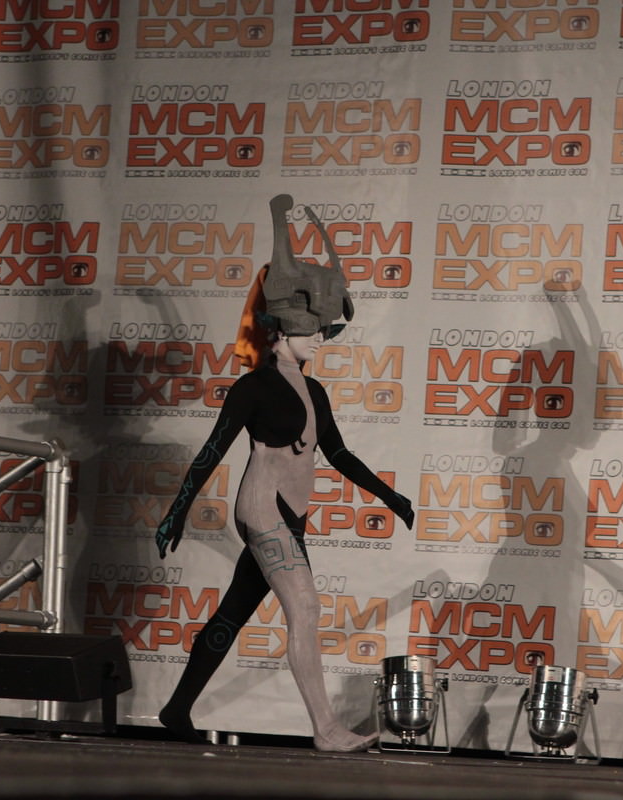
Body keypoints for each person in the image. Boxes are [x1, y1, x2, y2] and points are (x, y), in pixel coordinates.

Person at [155, 194, 415, 752]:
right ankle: (326, 729)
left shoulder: (314, 391)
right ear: (283, 331)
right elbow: (212, 451)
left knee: (234, 611)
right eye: (313, 329)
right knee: (306, 607)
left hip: (290, 515)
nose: (321, 338)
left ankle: (176, 708)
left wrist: (390, 497)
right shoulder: (253, 388)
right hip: (263, 507)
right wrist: (177, 513)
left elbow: (338, 454)